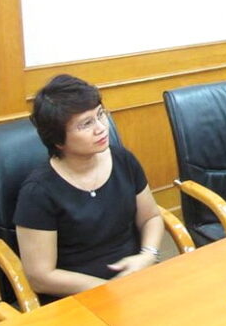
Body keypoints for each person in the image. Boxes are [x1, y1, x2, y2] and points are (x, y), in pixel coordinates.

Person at [14, 75, 163, 302]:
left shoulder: (123, 160)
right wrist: (108, 289)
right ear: (58, 140)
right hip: (77, 296)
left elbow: (151, 217)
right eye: (86, 124)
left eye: (100, 114)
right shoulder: (38, 192)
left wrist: (147, 255)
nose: (101, 128)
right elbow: (41, 276)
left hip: (136, 277)